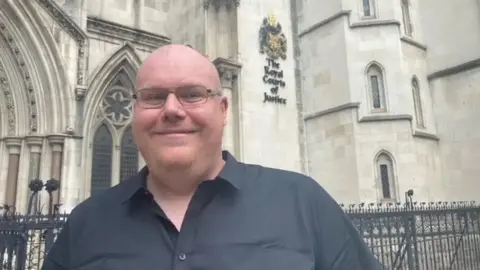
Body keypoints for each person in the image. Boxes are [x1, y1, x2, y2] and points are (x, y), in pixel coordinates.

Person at [42, 44, 382, 270]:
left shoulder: (303, 204)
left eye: (192, 94)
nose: (172, 110)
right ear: (135, 112)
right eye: (153, 96)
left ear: (223, 110)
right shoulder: (86, 224)